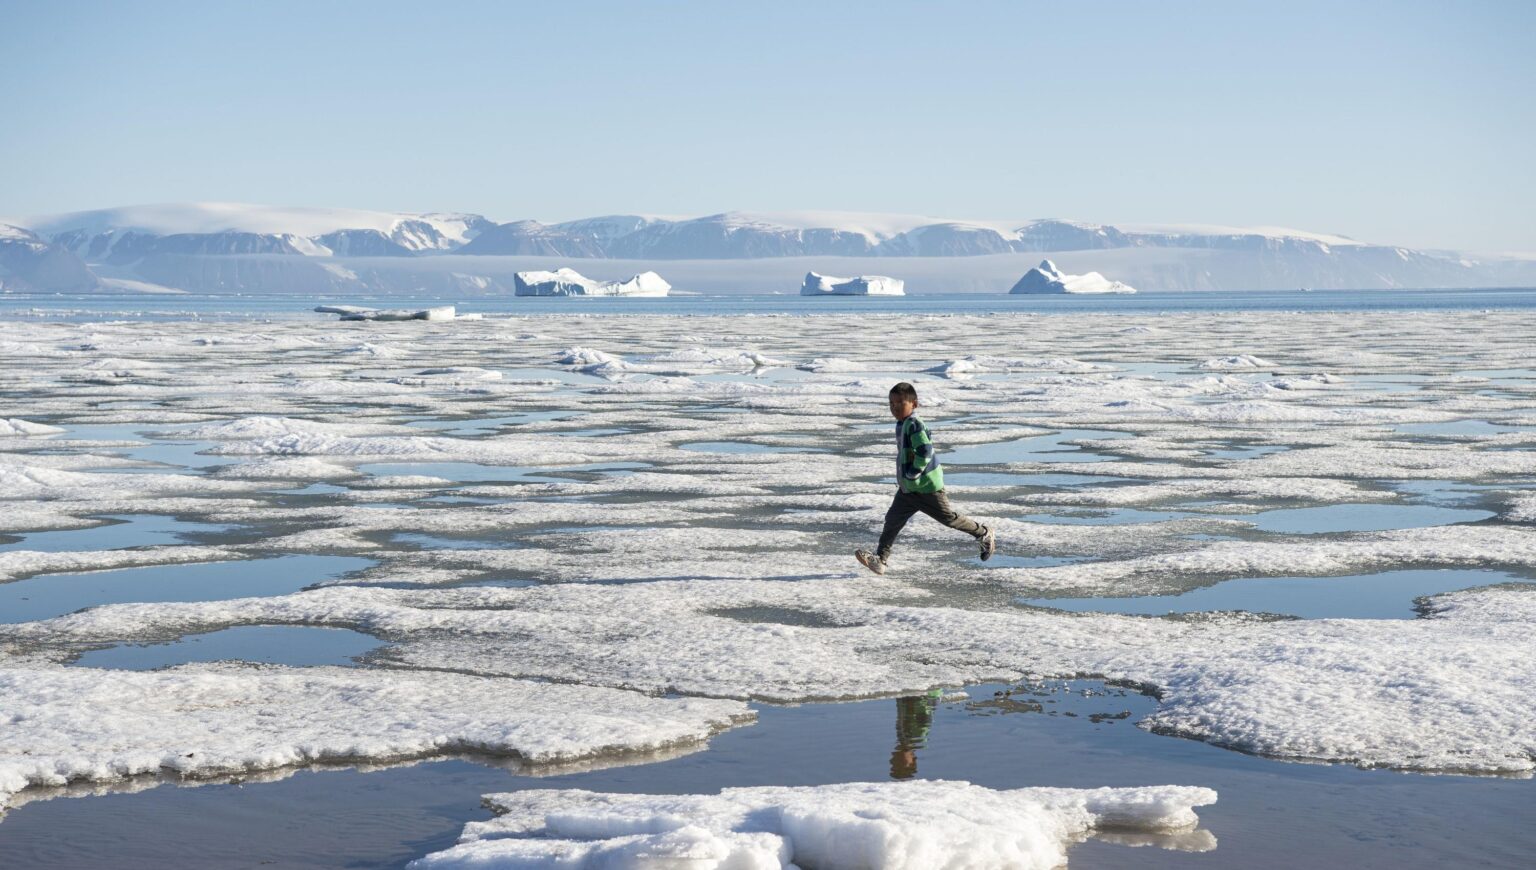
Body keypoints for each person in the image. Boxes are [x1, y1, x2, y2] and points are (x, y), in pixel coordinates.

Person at [856, 382, 995, 575]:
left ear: (914, 404)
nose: (894, 407)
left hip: (927, 488)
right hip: (908, 490)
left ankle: (983, 533)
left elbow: (925, 451)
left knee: (948, 519)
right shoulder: (902, 424)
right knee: (892, 520)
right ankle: (881, 559)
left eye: (900, 403)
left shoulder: (914, 424)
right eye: (891, 403)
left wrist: (913, 472)